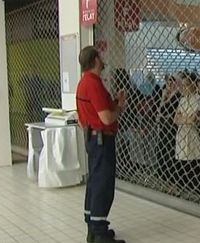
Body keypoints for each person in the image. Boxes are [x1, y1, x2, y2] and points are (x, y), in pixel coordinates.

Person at [76, 46, 126, 243]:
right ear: (95, 60)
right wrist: (118, 111)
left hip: (92, 137)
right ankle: (99, 231)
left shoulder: (83, 83)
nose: (103, 59)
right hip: (102, 139)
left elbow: (88, 113)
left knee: (94, 181)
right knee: (103, 184)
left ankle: (92, 225)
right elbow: (105, 117)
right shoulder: (93, 84)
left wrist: (115, 103)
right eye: (100, 56)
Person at [174, 72, 200, 192]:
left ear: (193, 85)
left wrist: (184, 119)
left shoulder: (198, 99)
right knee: (182, 162)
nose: (184, 87)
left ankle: (194, 188)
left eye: (187, 84)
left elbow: (194, 120)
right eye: (183, 85)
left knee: (193, 161)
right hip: (181, 133)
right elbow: (175, 119)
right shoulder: (182, 100)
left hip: (192, 133)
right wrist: (187, 119)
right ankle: (183, 187)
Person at [156, 75, 181, 193]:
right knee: (163, 155)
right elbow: (160, 113)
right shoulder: (167, 96)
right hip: (164, 129)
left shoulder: (177, 96)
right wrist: (163, 97)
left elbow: (164, 110)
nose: (169, 86)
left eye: (172, 83)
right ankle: (167, 182)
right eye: (168, 83)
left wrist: (166, 97)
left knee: (171, 157)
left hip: (172, 130)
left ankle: (174, 184)